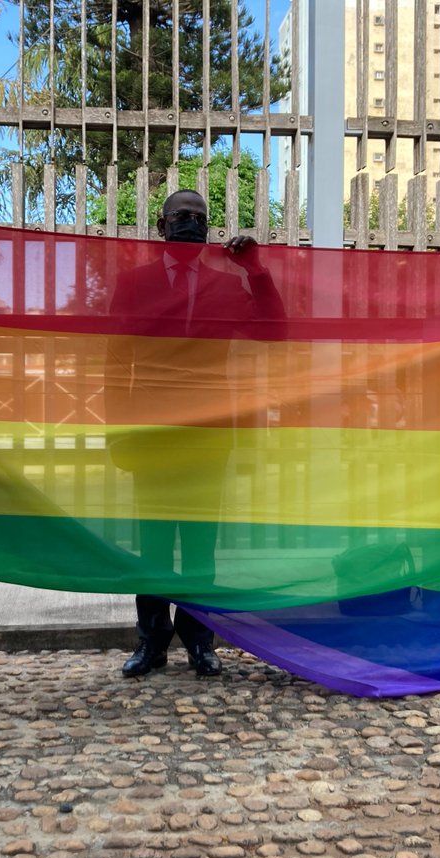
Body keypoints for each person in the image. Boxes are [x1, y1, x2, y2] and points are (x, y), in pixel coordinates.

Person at [105, 189, 284, 678]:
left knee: (203, 544)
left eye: (199, 218)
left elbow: (275, 331)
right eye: (181, 217)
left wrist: (254, 269)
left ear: (209, 229)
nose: (190, 224)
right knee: (154, 544)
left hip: (208, 433)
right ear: (161, 226)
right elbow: (116, 360)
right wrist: (117, 431)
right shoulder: (135, 283)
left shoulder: (227, 287)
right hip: (152, 433)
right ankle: (151, 642)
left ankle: (201, 642)